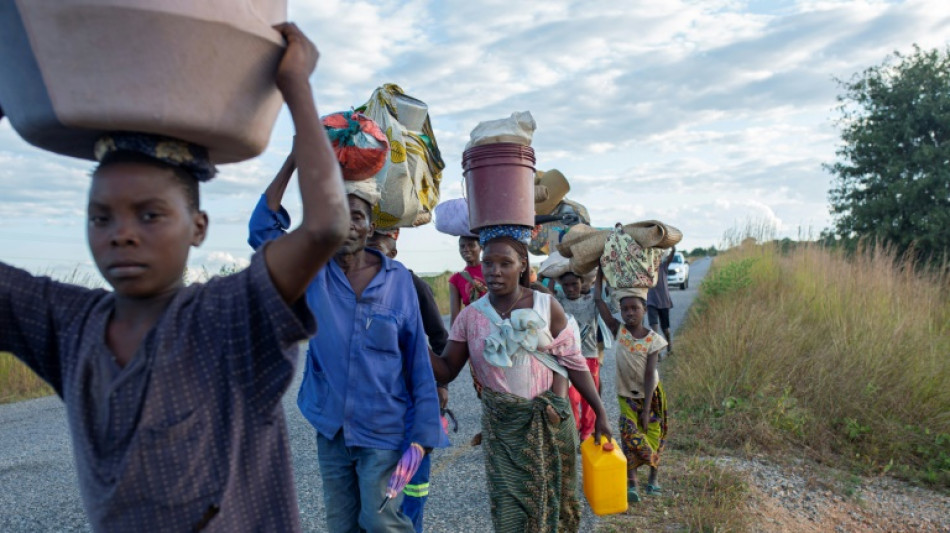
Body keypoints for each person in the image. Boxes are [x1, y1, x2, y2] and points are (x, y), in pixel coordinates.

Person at [0, 24, 346, 531]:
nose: (121, 234)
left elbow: (324, 226)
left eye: (149, 215)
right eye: (101, 218)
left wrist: (295, 85)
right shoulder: (69, 325)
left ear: (198, 227)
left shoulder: (228, 315)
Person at [249, 151, 442, 532]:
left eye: (357, 216)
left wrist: (423, 432)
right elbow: (261, 231)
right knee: (340, 526)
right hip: (332, 429)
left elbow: (417, 360)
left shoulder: (398, 280)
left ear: (371, 227)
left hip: (386, 433)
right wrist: (292, 160)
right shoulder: (312, 273)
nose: (347, 225)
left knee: (382, 522)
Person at [429, 225, 612, 533]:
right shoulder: (471, 317)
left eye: (505, 263)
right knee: (510, 508)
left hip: (552, 422)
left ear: (523, 266)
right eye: (488, 263)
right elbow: (447, 369)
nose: (494, 271)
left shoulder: (545, 306)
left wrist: (601, 414)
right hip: (504, 431)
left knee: (558, 502)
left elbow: (574, 363)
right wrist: (411, 343)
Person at [365, 229, 449, 533]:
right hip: (377, 402)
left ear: (394, 253)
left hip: (415, 399)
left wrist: (441, 385)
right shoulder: (357, 286)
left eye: (381, 250)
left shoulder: (414, 285)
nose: (374, 257)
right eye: (367, 250)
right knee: (377, 477)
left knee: (414, 478)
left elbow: (440, 338)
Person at [594, 268, 668, 504]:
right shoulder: (620, 331)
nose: (629, 313)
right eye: (625, 309)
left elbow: (649, 374)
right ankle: (632, 482)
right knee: (629, 437)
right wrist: (600, 272)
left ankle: (653, 479)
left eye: (634, 308)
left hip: (651, 397)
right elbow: (598, 300)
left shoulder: (653, 340)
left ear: (645, 309)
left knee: (654, 437)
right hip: (626, 396)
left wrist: (646, 408)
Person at [556, 271, 601, 442]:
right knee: (572, 398)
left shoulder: (591, 302)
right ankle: (574, 429)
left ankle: (587, 432)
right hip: (569, 358)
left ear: (582, 283)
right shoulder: (559, 303)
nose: (570, 288)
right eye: (566, 285)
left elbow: (600, 292)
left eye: (574, 284)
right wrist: (554, 278)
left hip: (590, 356)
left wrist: (599, 274)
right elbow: (547, 294)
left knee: (589, 398)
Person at [448, 235, 485, 326]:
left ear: (480, 248)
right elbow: (455, 317)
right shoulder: (456, 279)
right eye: (462, 246)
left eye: (471, 245)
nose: (466, 249)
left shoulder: (492, 271)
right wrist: (453, 338)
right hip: (472, 328)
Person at [646, 246, 676, 356]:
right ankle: (656, 353)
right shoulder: (647, 269)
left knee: (666, 329)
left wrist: (673, 249)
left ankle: (669, 346)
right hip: (651, 302)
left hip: (664, 301)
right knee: (654, 329)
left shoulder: (663, 266)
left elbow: (670, 257)